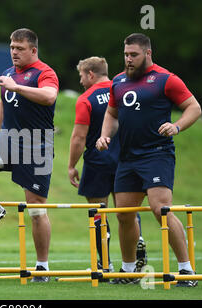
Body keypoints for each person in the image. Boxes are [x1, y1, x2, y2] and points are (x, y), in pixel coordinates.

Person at [96, 33, 202, 287]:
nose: (129, 60)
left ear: (148, 54)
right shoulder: (119, 81)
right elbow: (111, 113)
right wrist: (103, 136)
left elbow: (194, 108)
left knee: (161, 210)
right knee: (124, 215)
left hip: (157, 154)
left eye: (134, 55)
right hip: (128, 157)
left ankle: (186, 271)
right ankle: (129, 270)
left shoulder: (166, 79)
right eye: (126, 55)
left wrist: (176, 126)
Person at [0, 28, 58, 282]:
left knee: (36, 210)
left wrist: (16, 87)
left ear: (33, 50)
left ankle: (42, 267)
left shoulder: (44, 72)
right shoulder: (7, 74)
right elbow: (3, 103)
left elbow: (49, 97)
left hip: (37, 145)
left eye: (19, 48)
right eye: (12, 47)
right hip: (8, 140)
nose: (14, 52)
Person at [68, 56, 147, 272]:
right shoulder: (125, 91)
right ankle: (135, 252)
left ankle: (105, 264)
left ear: (91, 74)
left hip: (98, 161)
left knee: (98, 212)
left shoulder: (86, 98)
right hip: (126, 160)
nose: (81, 81)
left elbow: (78, 137)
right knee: (128, 211)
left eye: (82, 76)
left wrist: (71, 165)